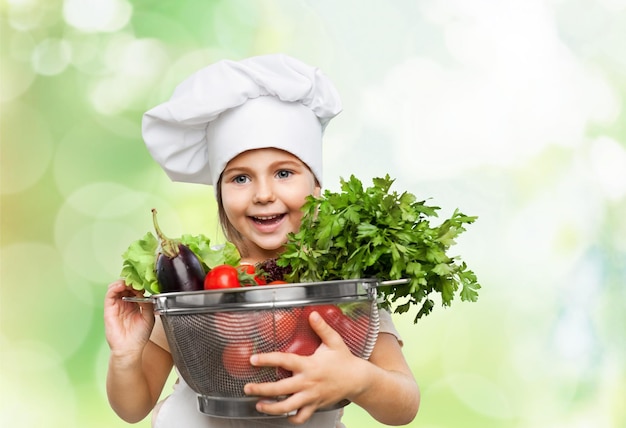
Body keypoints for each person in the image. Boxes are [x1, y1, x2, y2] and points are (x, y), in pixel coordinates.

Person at [104, 53, 420, 428]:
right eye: (240, 178)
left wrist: (360, 379)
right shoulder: (201, 283)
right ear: (219, 195)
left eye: (284, 173)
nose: (263, 194)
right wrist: (125, 355)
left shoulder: (342, 287)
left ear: (316, 188)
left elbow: (404, 404)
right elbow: (133, 406)